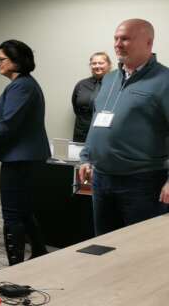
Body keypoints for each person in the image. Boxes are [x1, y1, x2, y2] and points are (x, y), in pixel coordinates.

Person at [78, 19, 169, 236]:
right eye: (116, 38)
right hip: (102, 178)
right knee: (104, 244)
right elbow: (96, 121)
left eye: (125, 38)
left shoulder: (164, 80)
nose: (118, 44)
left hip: (142, 182)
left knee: (139, 249)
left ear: (148, 42)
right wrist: (86, 157)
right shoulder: (109, 79)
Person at [0, 40, 50, 265]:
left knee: (12, 214)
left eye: (1, 59)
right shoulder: (24, 84)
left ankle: (14, 268)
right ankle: (40, 252)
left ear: (17, 60)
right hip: (25, 157)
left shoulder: (22, 86)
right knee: (23, 209)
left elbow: (8, 122)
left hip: (20, 159)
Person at [71, 52, 112, 142]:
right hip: (81, 132)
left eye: (101, 63)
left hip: (105, 134)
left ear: (109, 65)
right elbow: (75, 107)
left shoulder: (116, 84)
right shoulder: (81, 84)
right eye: (94, 63)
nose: (97, 66)